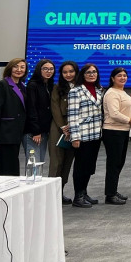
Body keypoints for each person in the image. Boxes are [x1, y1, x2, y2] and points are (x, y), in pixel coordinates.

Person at [68, 63, 103, 208]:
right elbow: (72, 116)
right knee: (81, 166)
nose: (92, 74)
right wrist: (75, 136)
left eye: (94, 72)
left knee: (89, 166)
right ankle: (78, 196)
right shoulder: (75, 91)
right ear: (82, 75)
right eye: (88, 72)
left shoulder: (99, 90)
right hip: (82, 135)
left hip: (96, 134)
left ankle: (84, 192)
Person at [102, 67, 131, 205]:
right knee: (113, 163)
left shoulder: (122, 92)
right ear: (112, 78)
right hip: (113, 131)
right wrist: (130, 120)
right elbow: (114, 113)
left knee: (118, 163)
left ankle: (113, 190)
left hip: (122, 131)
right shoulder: (111, 93)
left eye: (124, 75)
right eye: (119, 75)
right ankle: (110, 195)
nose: (123, 78)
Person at [49, 61, 78, 204]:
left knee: (67, 163)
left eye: (71, 71)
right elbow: (55, 108)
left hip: (75, 128)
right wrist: (63, 126)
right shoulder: (57, 88)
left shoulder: (80, 87)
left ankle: (59, 192)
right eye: (65, 72)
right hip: (59, 128)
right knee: (57, 162)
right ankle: (50, 195)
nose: (68, 74)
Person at [0, 58, 28, 176]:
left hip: (16, 133)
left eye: (22, 67)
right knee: (6, 168)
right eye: (16, 66)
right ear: (10, 68)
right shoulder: (2, 85)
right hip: (5, 133)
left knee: (13, 164)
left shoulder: (22, 85)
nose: (19, 69)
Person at [23, 59, 54, 164]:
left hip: (43, 131)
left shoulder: (49, 85)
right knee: (33, 163)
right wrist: (36, 131)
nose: (48, 71)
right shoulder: (32, 85)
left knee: (39, 162)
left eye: (51, 69)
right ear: (39, 70)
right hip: (33, 132)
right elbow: (31, 108)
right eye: (45, 69)